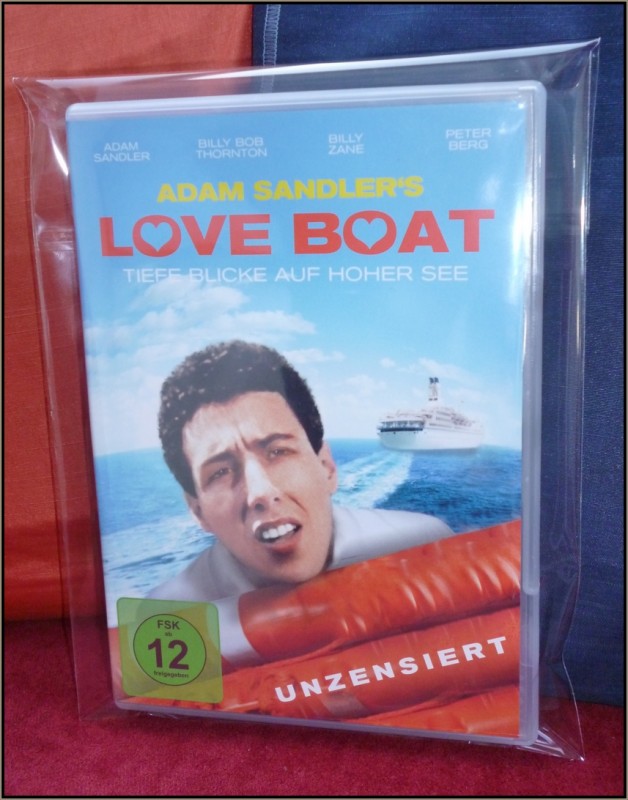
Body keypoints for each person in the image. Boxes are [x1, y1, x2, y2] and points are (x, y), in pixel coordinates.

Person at [149, 339, 455, 604]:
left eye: (277, 452)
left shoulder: (424, 544)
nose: (260, 492)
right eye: (220, 472)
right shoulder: (168, 616)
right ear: (198, 511)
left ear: (326, 467)